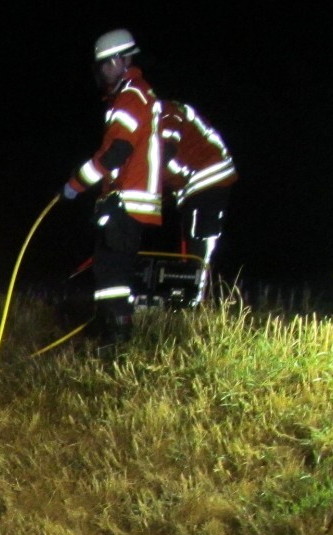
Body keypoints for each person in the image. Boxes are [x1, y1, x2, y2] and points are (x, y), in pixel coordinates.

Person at [62, 28, 164, 346]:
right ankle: (109, 329)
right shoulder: (130, 95)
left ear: (123, 60)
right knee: (108, 267)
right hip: (124, 199)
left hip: (127, 199)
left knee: (112, 270)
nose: (103, 71)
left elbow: (117, 151)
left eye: (107, 64)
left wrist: (76, 183)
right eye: (101, 65)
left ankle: (117, 338)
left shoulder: (132, 96)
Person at [160, 99, 237, 304]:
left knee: (200, 241)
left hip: (208, 178)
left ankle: (196, 300)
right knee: (191, 241)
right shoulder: (155, 122)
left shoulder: (167, 111)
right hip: (193, 187)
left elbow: (165, 153)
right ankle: (188, 295)